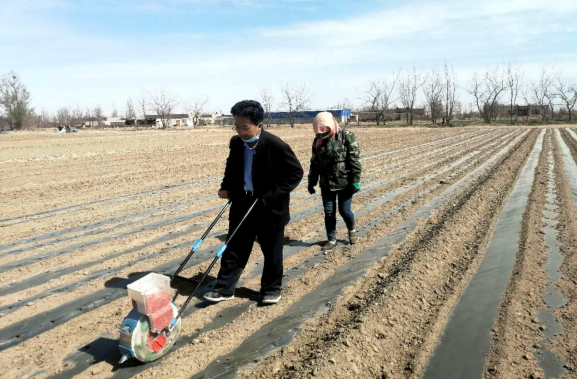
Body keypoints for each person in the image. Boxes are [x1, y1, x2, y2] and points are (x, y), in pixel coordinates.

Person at [203, 100, 303, 305]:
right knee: (234, 248)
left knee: (272, 252)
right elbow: (231, 167)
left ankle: (271, 290)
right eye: (237, 127)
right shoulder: (236, 143)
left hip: (269, 207)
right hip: (242, 202)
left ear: (260, 125)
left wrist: (270, 196)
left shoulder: (276, 145)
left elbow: (295, 173)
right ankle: (224, 289)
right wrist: (226, 187)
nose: (240, 131)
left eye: (245, 127)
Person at [307, 112, 362, 252]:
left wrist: (355, 180)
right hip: (326, 184)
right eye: (319, 134)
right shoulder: (317, 141)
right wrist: (312, 181)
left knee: (345, 211)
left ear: (331, 127)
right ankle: (331, 239)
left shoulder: (347, 137)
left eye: (324, 133)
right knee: (329, 213)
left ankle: (352, 230)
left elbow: (354, 160)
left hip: (345, 183)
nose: (322, 137)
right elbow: (315, 163)